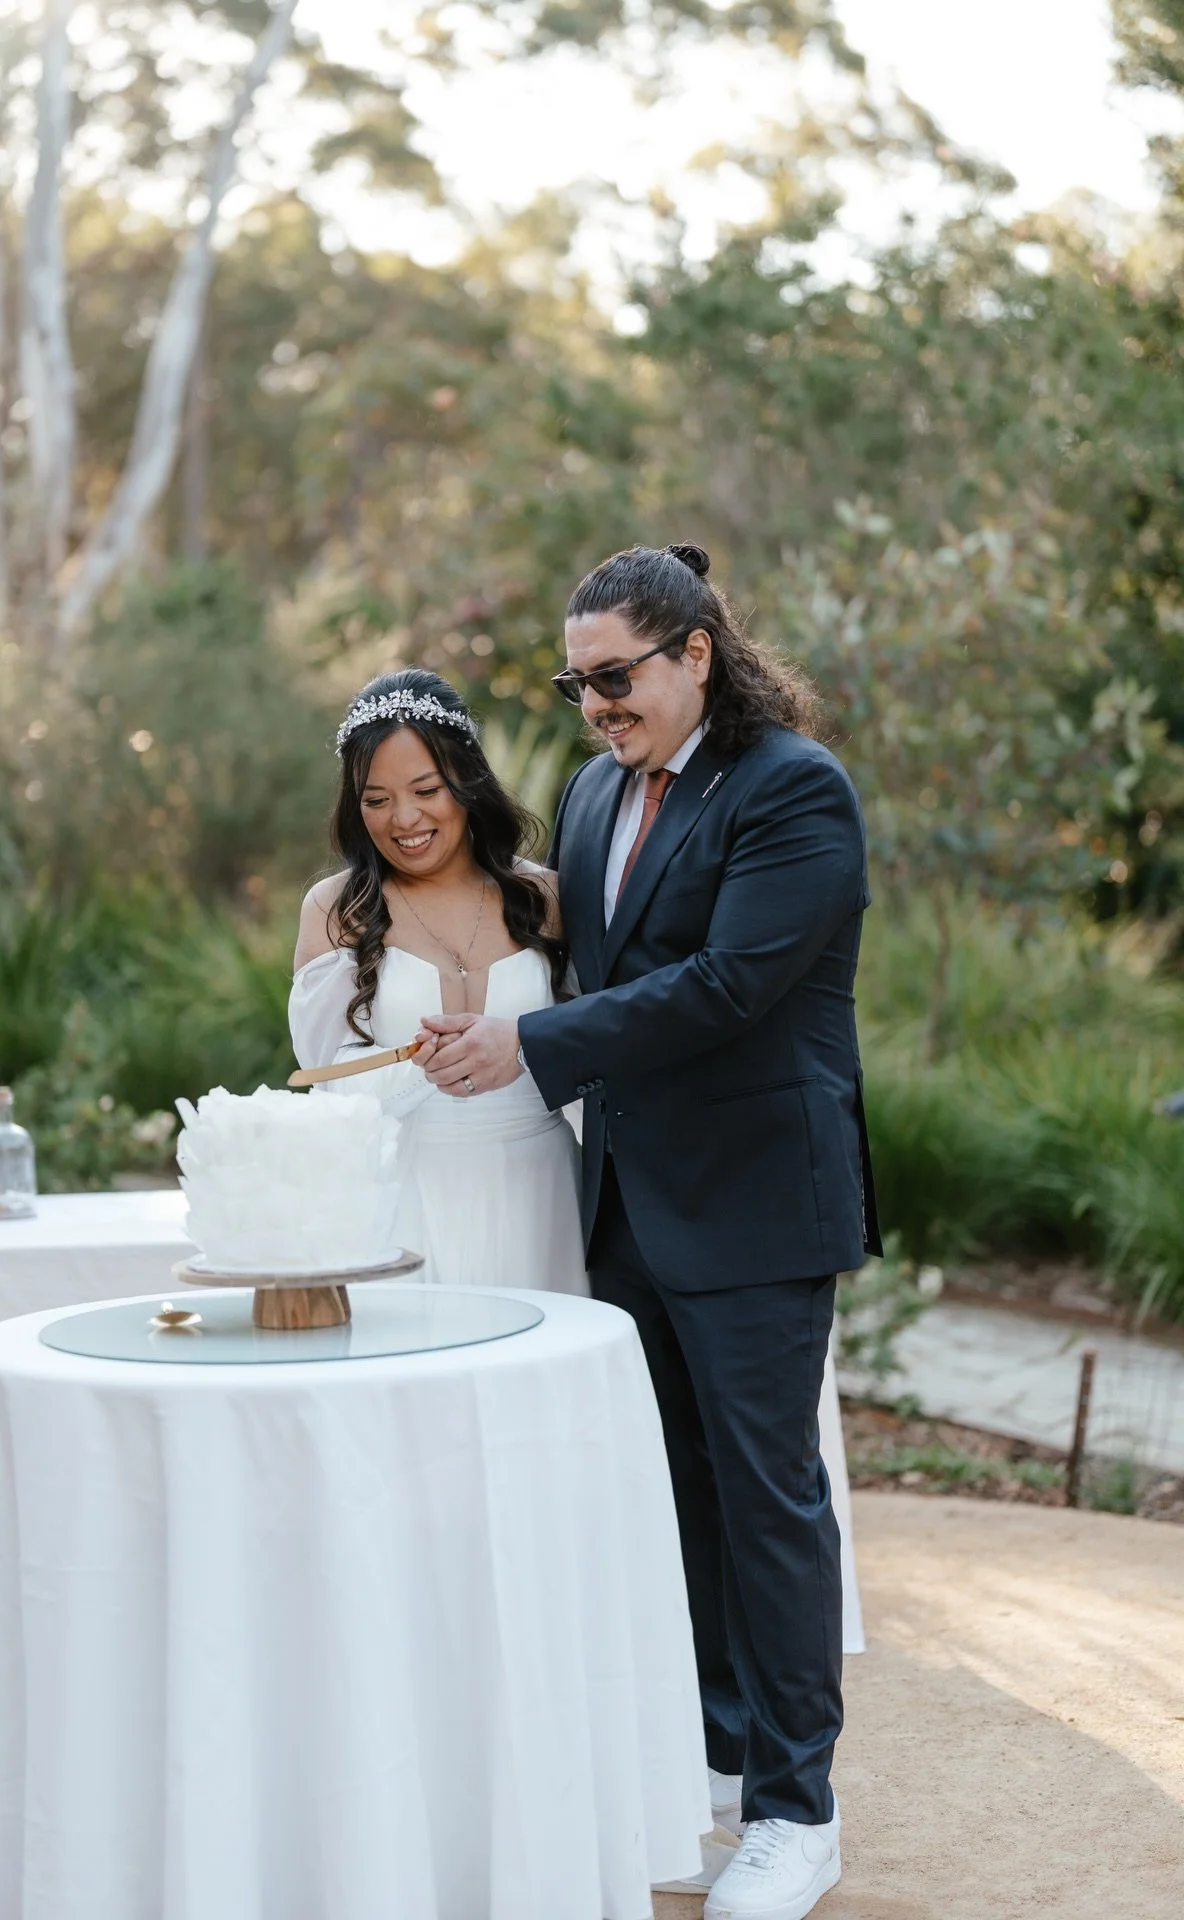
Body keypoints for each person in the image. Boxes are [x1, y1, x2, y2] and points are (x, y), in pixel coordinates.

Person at [415, 543, 880, 1920]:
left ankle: (802, 1811)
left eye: (616, 676)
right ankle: (728, 1758)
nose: (595, 706)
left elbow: (728, 986)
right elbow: (590, 950)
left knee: (769, 1501)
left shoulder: (797, 789)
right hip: (625, 1205)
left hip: (755, 1204)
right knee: (674, 1498)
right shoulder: (592, 789)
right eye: (578, 683)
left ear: (695, 652)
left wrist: (526, 1045)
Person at [288, 667, 588, 1296]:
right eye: (376, 800)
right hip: (403, 1194)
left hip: (541, 1188)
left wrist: (524, 1046)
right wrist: (411, 1068)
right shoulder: (334, 907)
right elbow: (321, 1078)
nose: (404, 819)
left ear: (466, 781)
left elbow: (599, 1038)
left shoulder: (547, 897)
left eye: (426, 789)